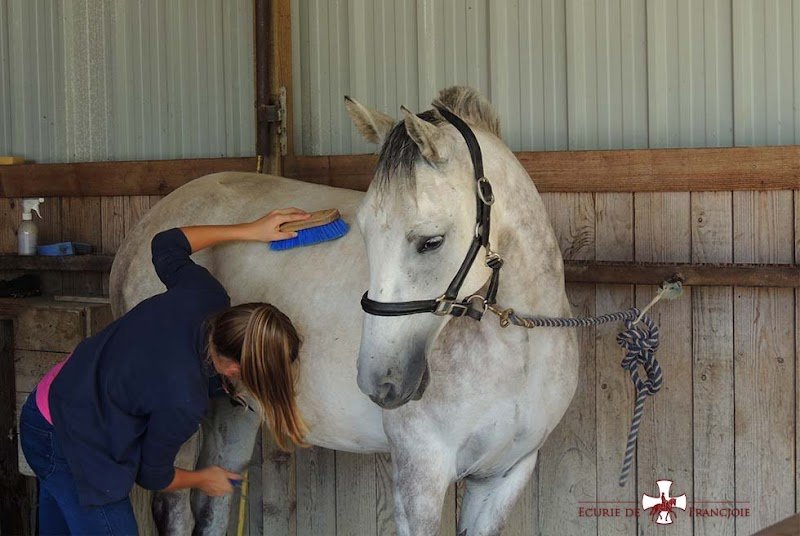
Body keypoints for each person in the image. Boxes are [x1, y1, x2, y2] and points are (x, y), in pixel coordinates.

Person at [19, 208, 311, 534]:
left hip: (45, 405)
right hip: (71, 446)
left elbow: (167, 243)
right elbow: (152, 475)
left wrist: (251, 229)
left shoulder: (205, 295)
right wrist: (204, 478)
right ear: (232, 368)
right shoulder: (185, 399)